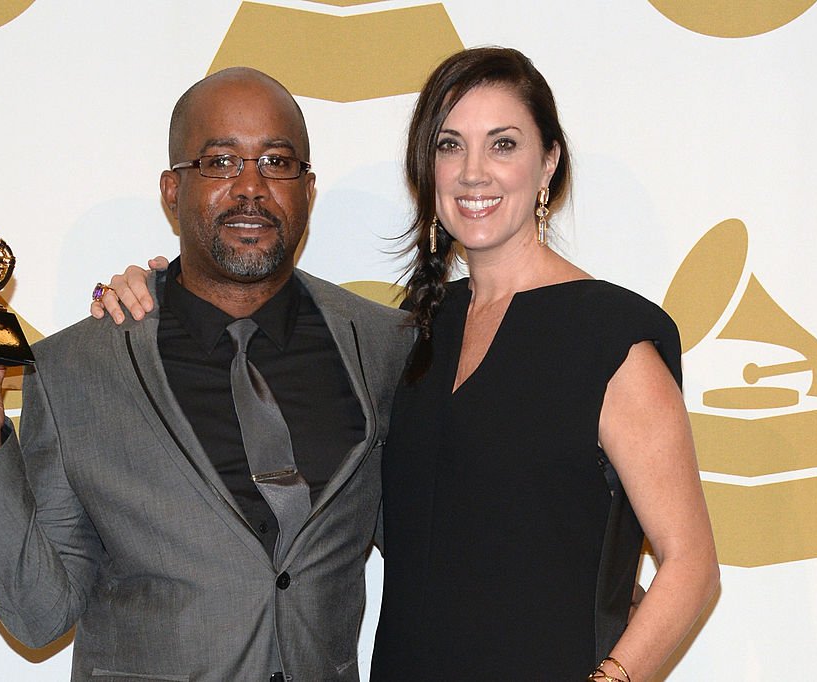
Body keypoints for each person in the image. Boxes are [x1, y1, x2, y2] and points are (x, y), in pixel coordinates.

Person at [95, 47, 720, 680]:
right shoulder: (414, 335)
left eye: (502, 144)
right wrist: (157, 291)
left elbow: (691, 565)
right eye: (451, 146)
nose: (474, 172)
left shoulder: (611, 340)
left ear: (548, 162)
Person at [0, 67, 413, 681]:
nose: (251, 188)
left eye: (276, 163)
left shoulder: (385, 346)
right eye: (220, 163)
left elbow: (431, 553)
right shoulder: (76, 368)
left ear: (308, 188)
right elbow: (39, 615)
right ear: (172, 191)